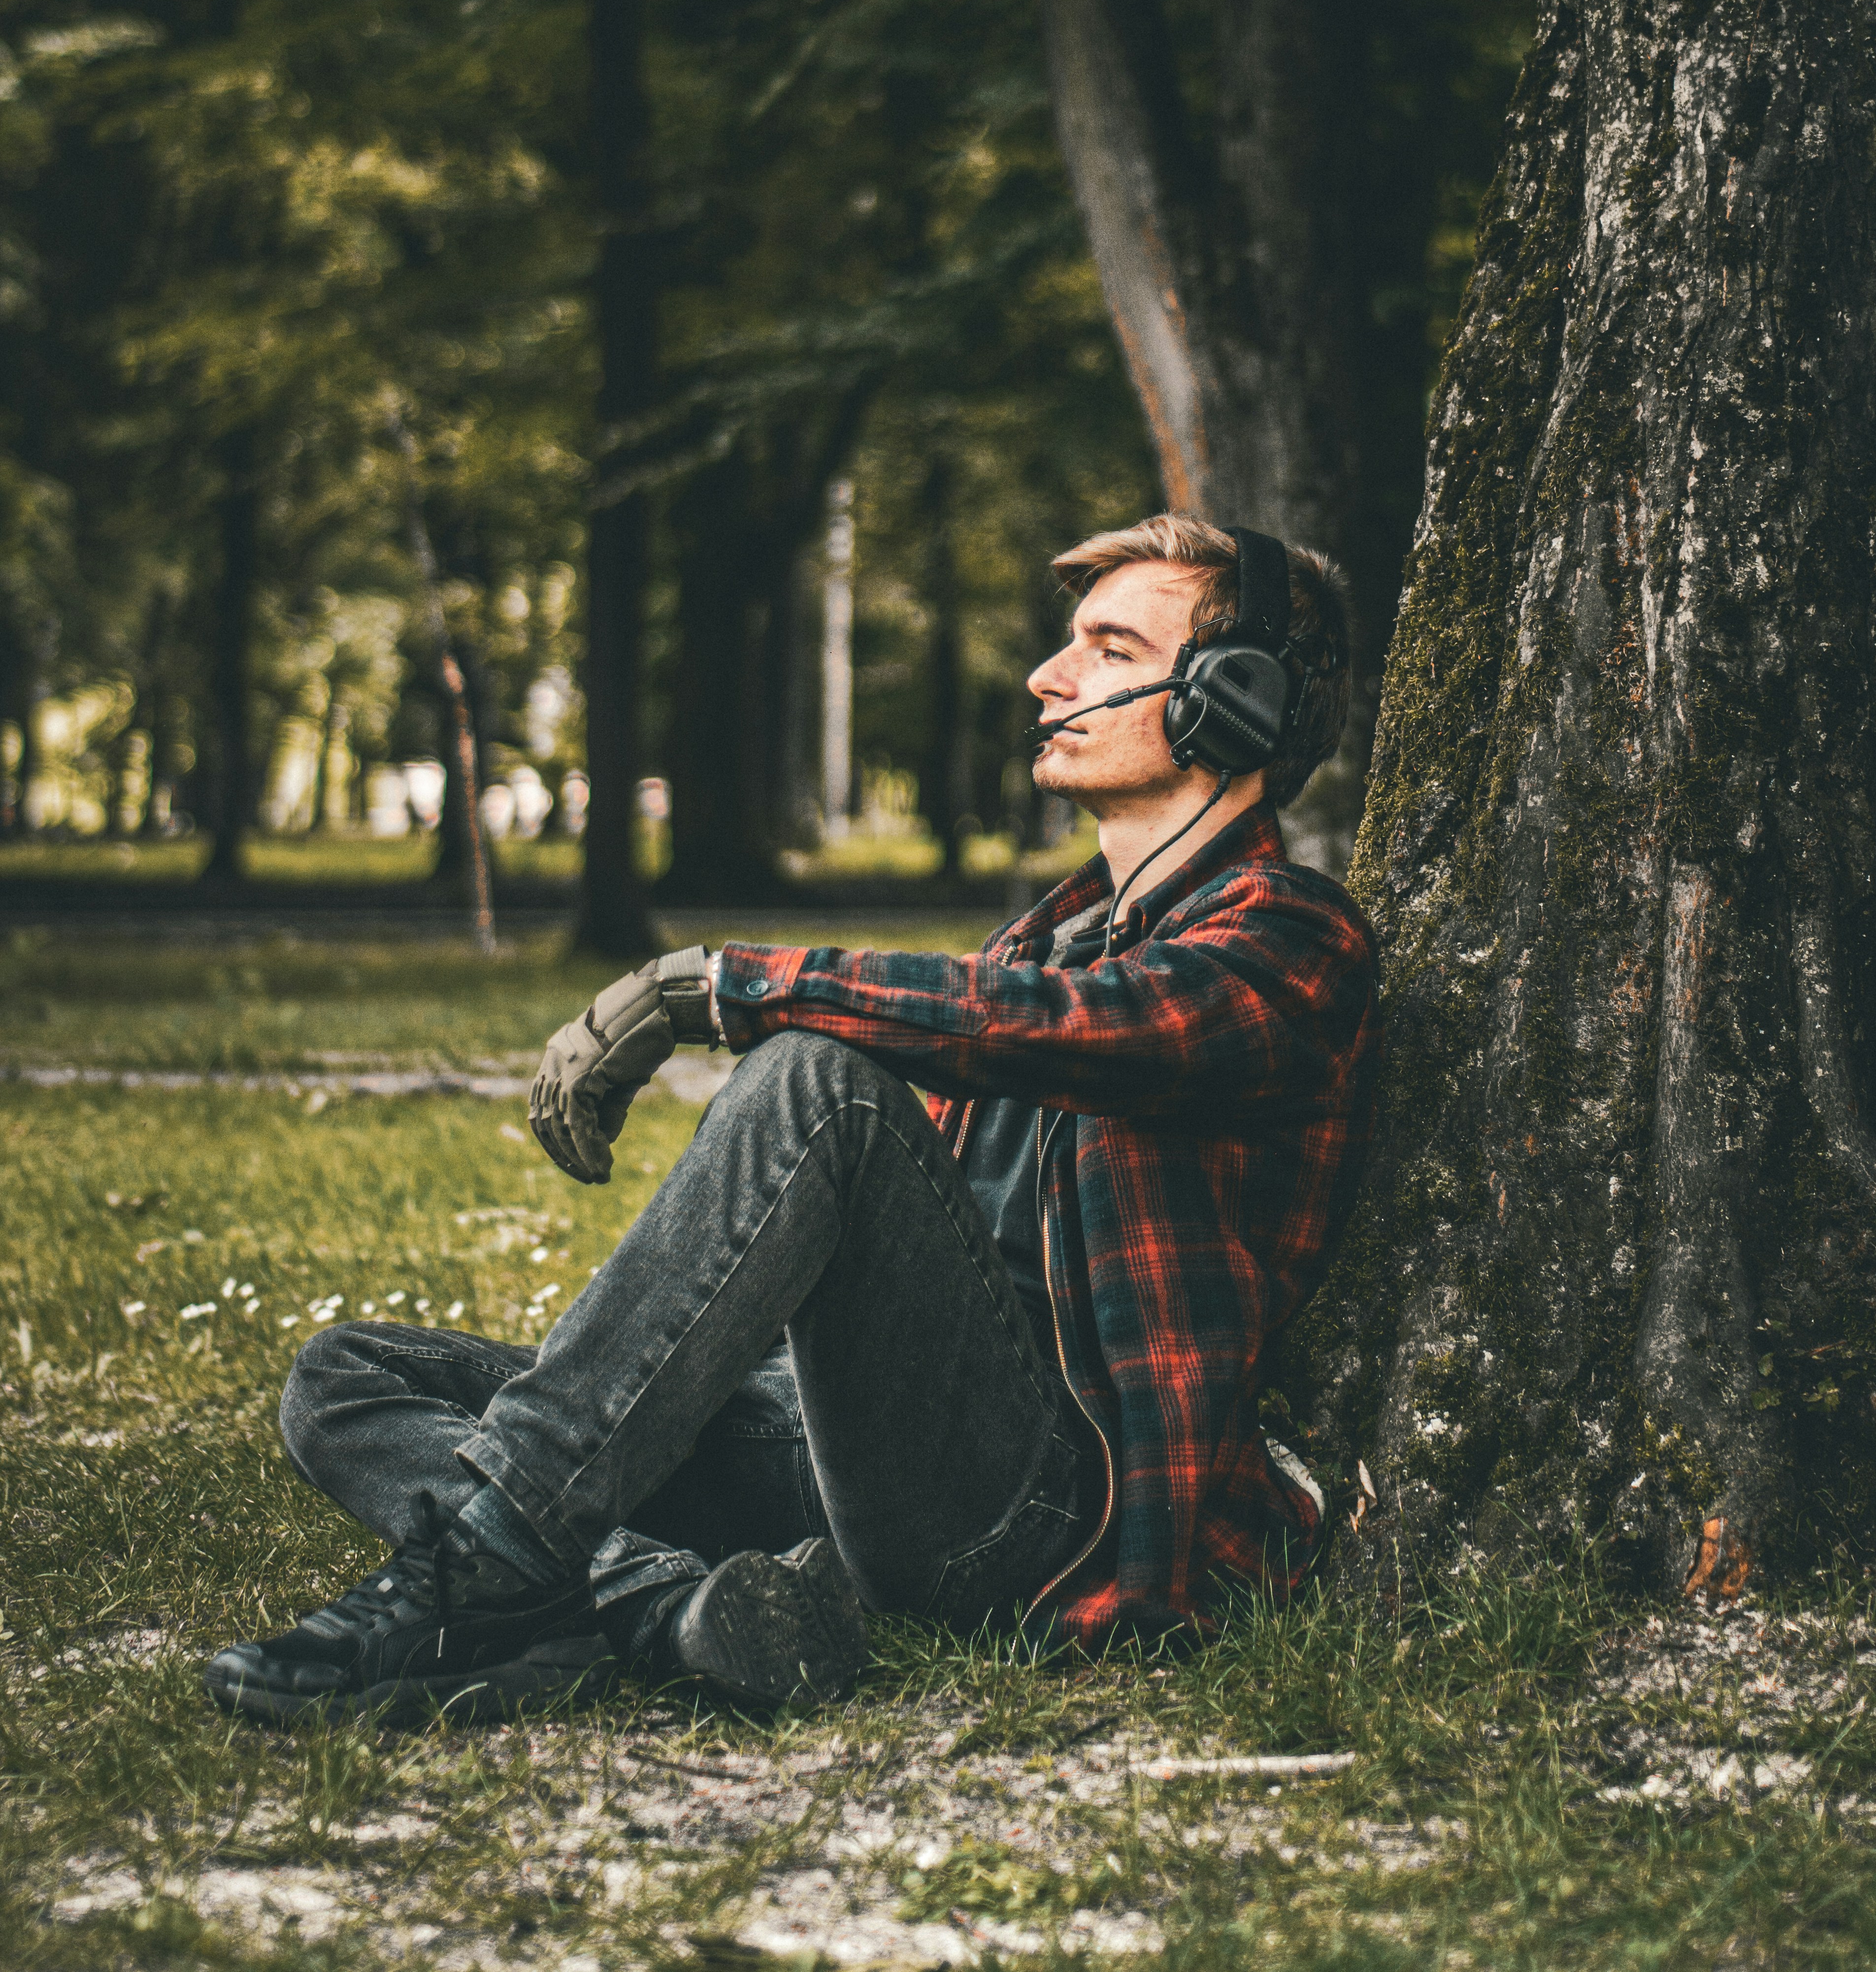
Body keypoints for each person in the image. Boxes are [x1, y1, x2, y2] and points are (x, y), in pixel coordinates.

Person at [204, 512, 1381, 1727]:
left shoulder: (1293, 941)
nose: (1049, 673)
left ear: (1232, 702)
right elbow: (927, 1191)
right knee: (349, 1377)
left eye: (1109, 648)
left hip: (1041, 1522)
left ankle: (498, 1567)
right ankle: (667, 1611)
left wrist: (715, 988)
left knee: (812, 1079)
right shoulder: (1039, 943)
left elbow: (1090, 1028)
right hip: (845, 1459)